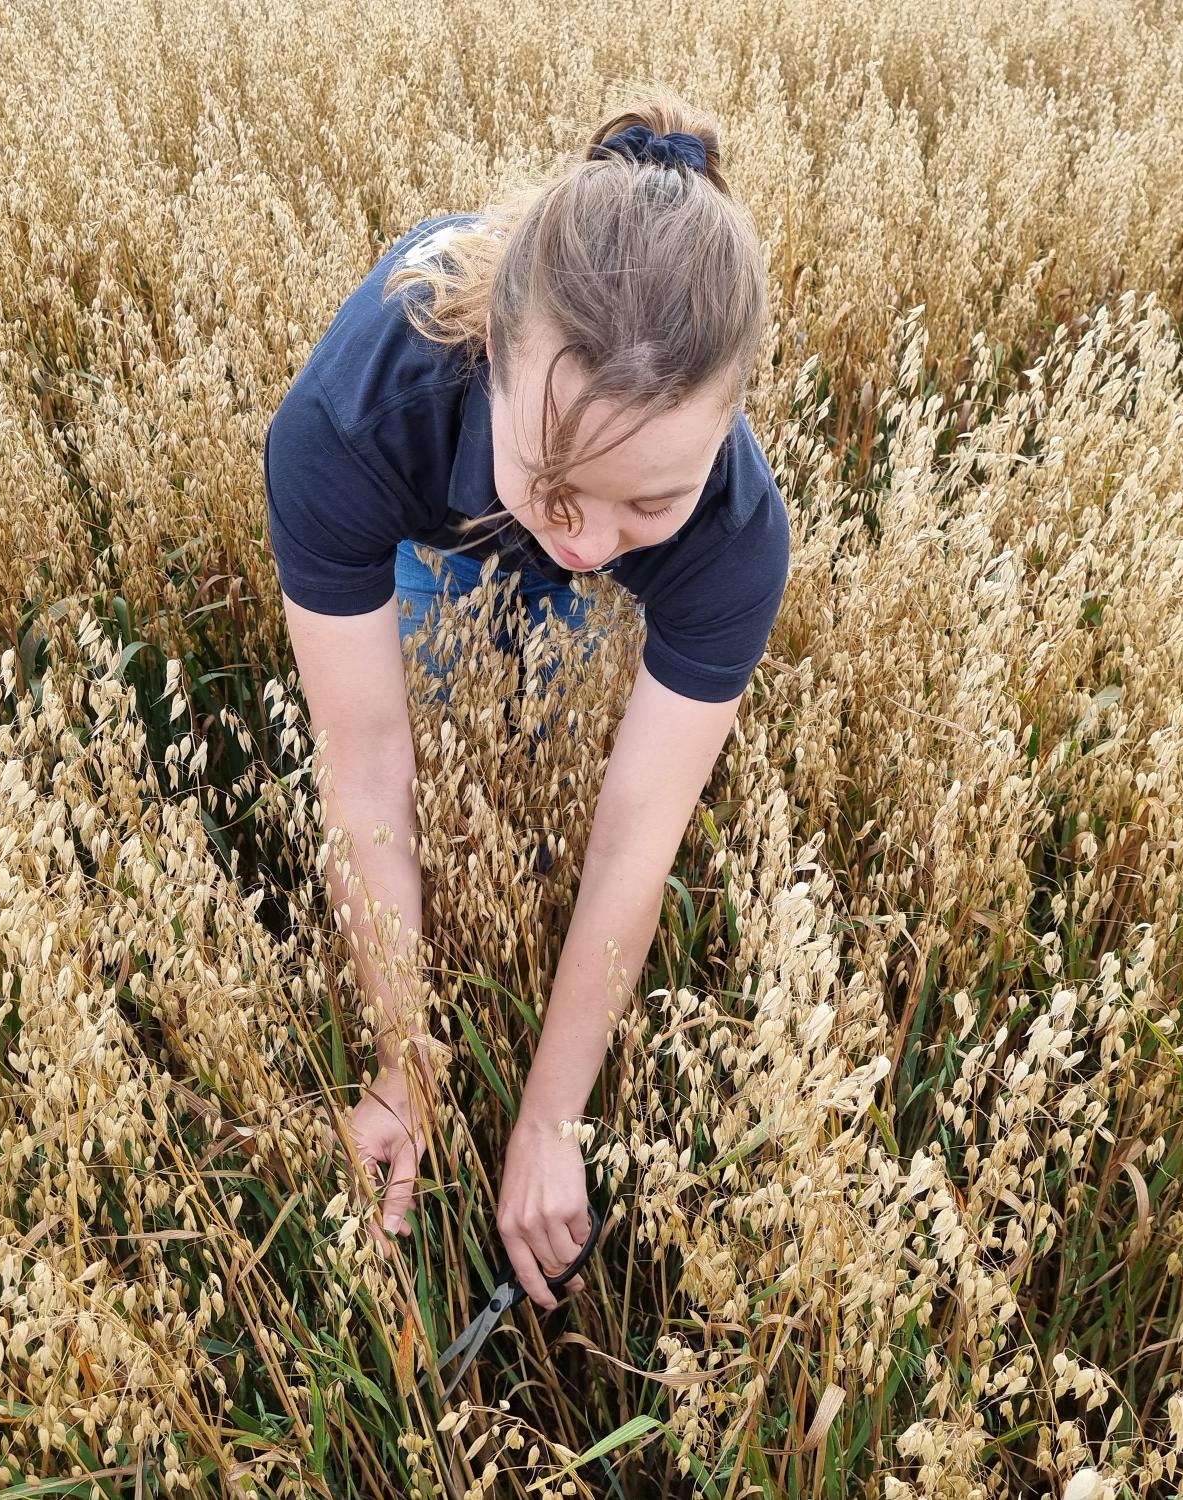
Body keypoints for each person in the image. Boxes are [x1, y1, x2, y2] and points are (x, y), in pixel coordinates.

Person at [260, 88, 790, 1314]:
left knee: (556, 709)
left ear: (723, 430)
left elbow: (632, 838)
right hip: (434, 502)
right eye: (558, 489)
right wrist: (407, 1064)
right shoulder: (348, 426)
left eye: (646, 502)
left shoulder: (731, 532)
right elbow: (367, 771)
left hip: (549, 465)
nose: (594, 544)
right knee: (441, 689)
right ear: (487, 362)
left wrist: (551, 1118)